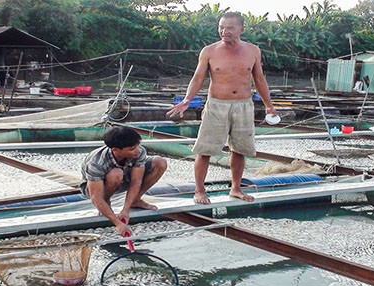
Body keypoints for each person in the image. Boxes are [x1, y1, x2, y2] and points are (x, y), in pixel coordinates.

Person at [167, 11, 278, 205]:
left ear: (241, 29)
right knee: (205, 149)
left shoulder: (253, 50)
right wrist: (187, 99)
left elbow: (259, 79)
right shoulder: (209, 51)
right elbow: (198, 78)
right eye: (221, 27)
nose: (224, 31)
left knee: (239, 149)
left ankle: (236, 188)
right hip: (217, 105)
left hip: (243, 105)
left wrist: (269, 105)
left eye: (229, 28)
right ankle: (199, 190)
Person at [80, 126, 167, 236]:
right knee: (116, 174)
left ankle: (136, 200)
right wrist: (118, 223)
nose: (137, 150)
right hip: (96, 186)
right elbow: (95, 197)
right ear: (115, 150)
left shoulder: (139, 152)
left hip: (124, 176)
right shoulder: (96, 162)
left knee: (160, 162)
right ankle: (106, 203)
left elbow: (136, 181)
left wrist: (125, 210)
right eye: (131, 149)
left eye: (137, 146)